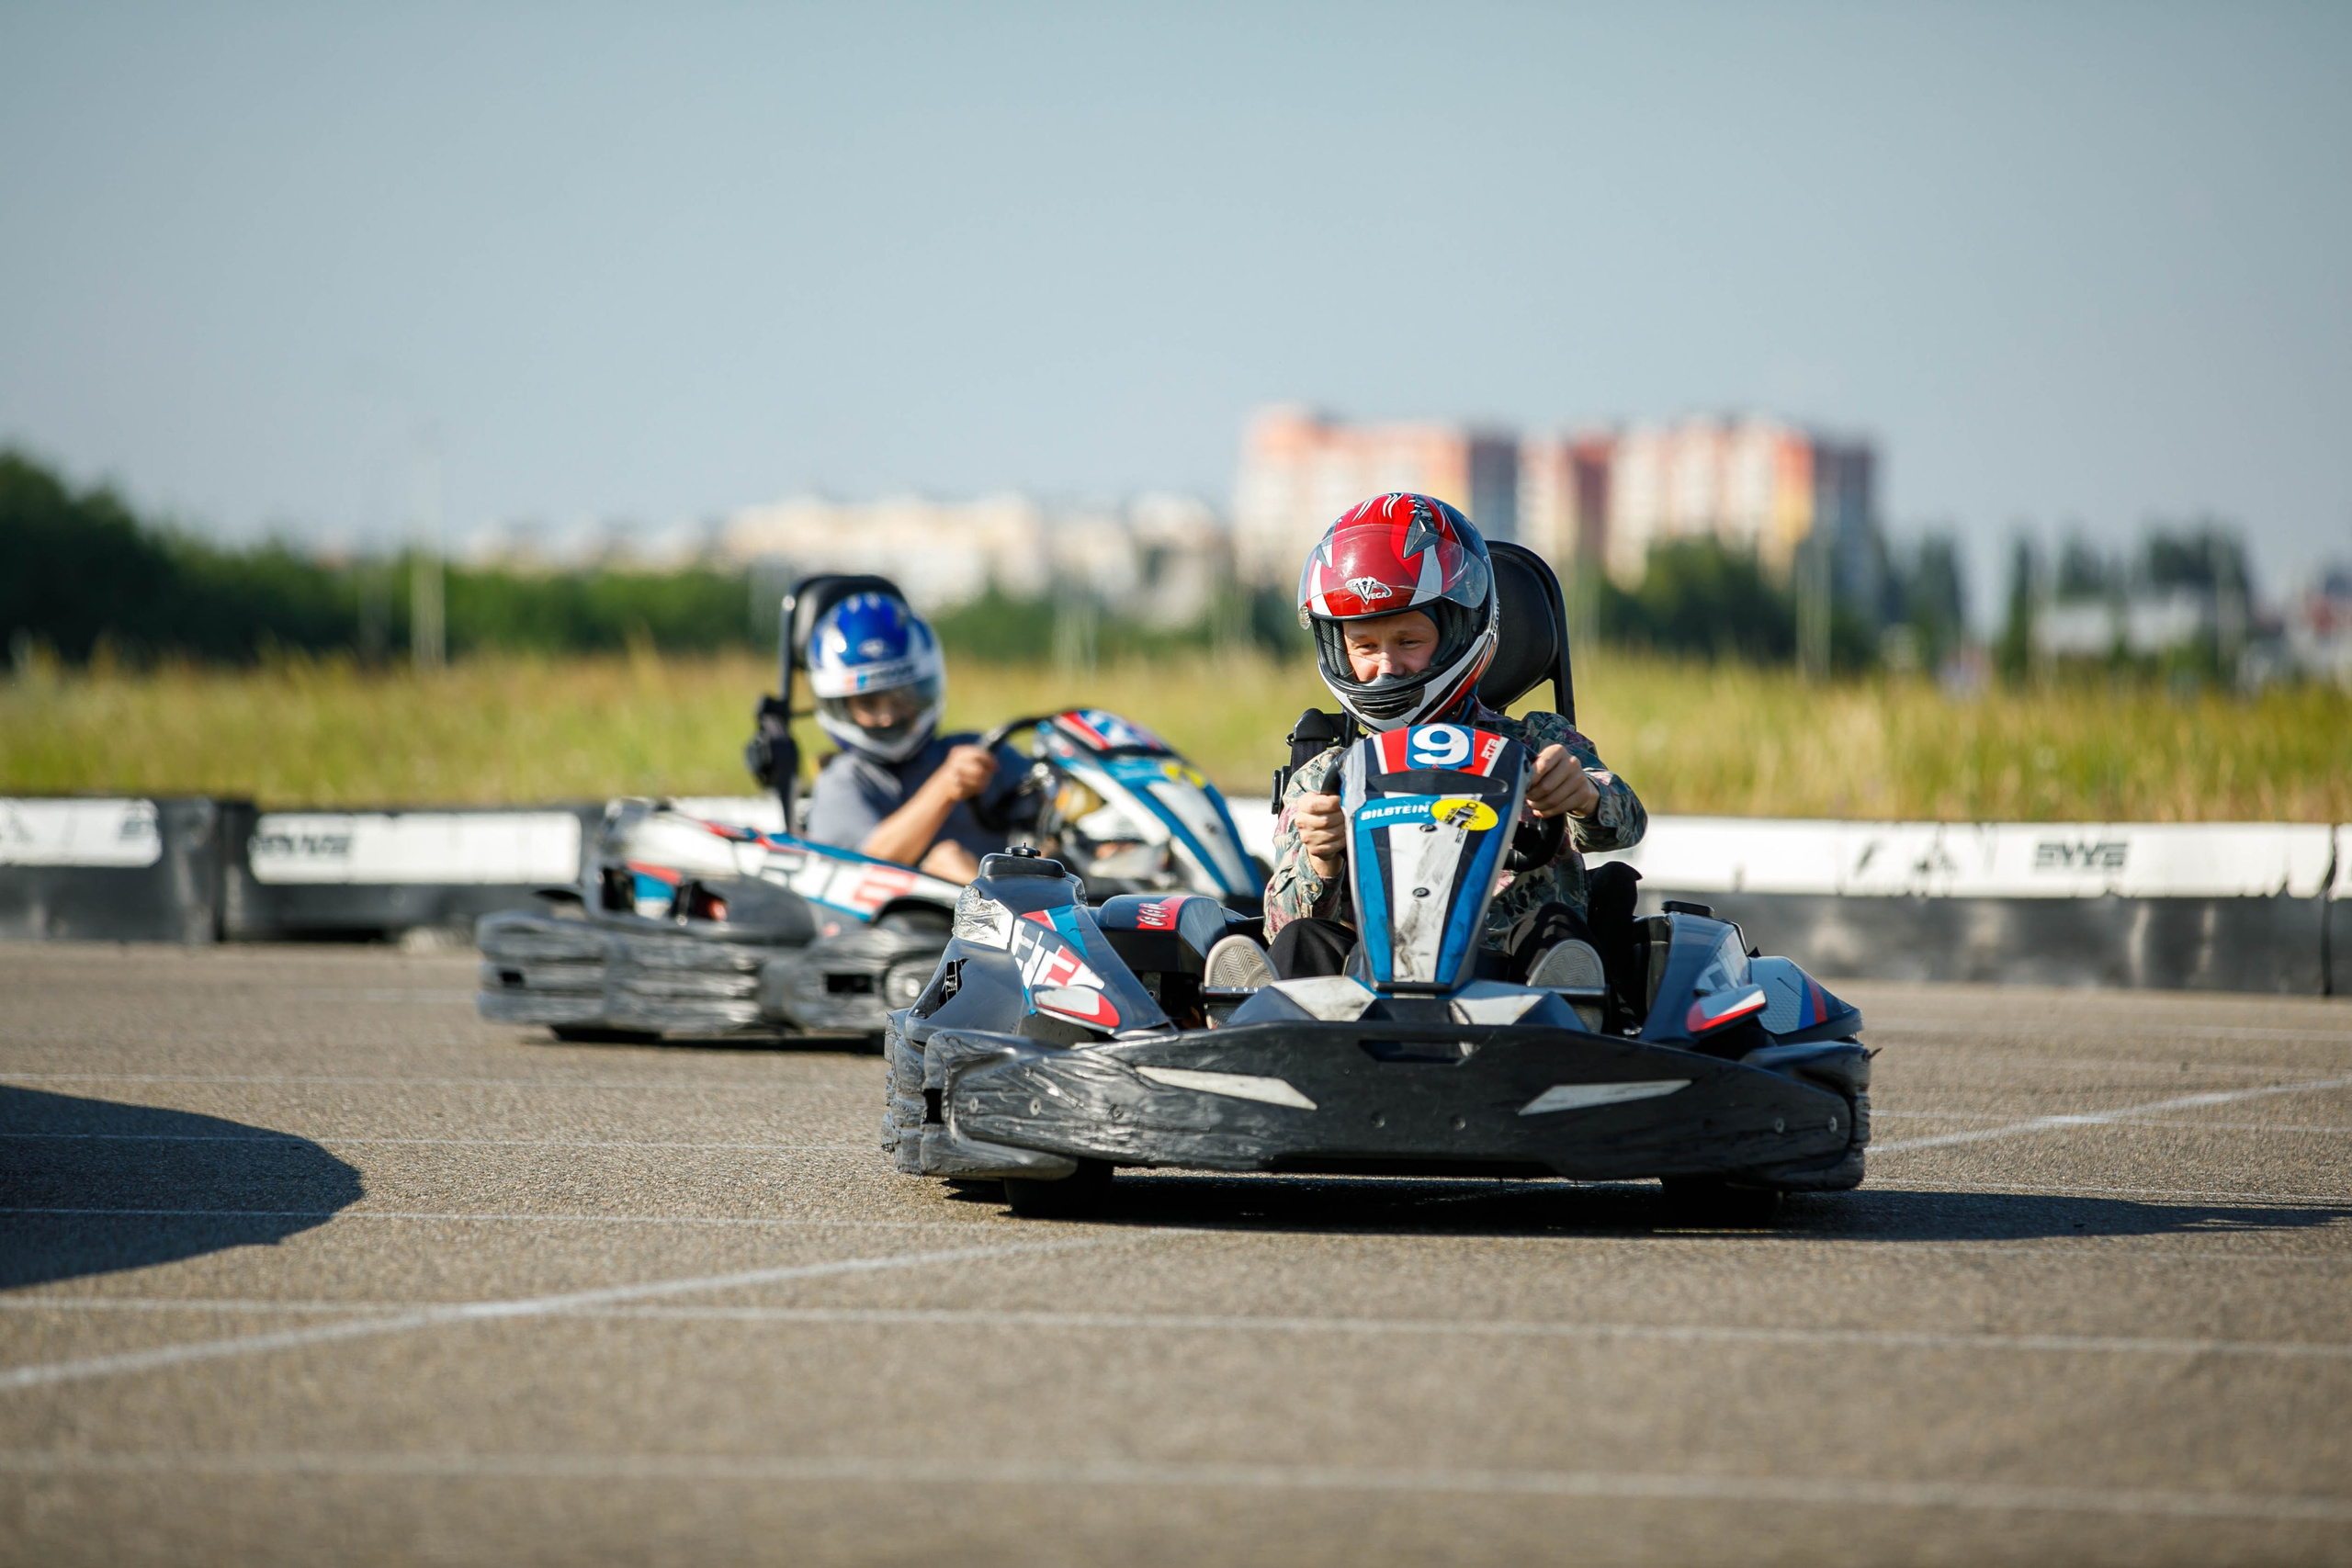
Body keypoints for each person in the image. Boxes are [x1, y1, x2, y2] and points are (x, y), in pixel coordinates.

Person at [1227, 492, 1646, 996]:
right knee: (1301, 940)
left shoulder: (1537, 743)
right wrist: (1322, 858)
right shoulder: (1325, 776)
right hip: (1368, 983)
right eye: (1364, 646)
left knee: (1554, 930)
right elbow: (1278, 924)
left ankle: (1573, 1012)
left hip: (1510, 976)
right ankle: (1265, 1032)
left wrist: (1582, 797)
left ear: (1460, 630)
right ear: (1339, 648)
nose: (1386, 667)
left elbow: (1626, 822)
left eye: (1408, 642)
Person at [800, 592, 1024, 885]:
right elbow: (868, 864)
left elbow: (1049, 803)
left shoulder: (977, 752)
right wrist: (945, 787)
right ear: (841, 706)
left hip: (1022, 915)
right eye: (868, 704)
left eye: (901, 697)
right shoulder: (842, 783)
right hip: (907, 926)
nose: (888, 717)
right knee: (947, 859)